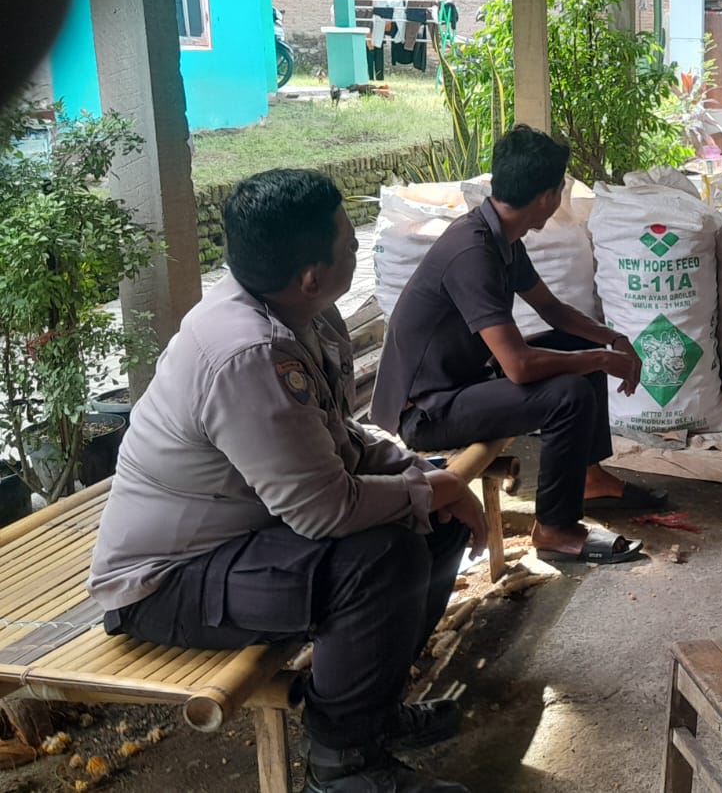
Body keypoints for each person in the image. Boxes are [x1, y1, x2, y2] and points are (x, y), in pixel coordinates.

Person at [88, 169, 487, 793]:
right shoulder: (247, 353)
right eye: (349, 243)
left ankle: (371, 714)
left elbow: (337, 437)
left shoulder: (302, 318)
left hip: (243, 537)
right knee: (381, 558)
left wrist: (423, 477)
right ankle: (342, 764)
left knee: (430, 515)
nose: (357, 248)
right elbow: (324, 512)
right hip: (165, 582)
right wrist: (434, 488)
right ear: (310, 276)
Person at [371, 125, 654, 565]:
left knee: (575, 346)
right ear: (547, 196)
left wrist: (612, 340)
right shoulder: (473, 252)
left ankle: (589, 478)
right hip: (427, 410)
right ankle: (555, 530)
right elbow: (519, 366)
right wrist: (600, 358)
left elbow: (553, 311)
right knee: (569, 393)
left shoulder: (499, 236)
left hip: (462, 383)